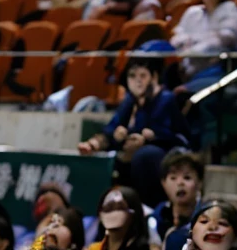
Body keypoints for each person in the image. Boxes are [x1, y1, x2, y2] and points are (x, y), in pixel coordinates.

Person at [78, 56, 188, 205]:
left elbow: (179, 136)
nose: (138, 81)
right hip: (131, 153)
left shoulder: (166, 99)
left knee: (144, 155)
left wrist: (152, 137)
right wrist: (95, 143)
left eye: (143, 76)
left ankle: (148, 206)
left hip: (163, 152)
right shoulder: (130, 101)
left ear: (154, 77)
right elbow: (112, 127)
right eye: (132, 76)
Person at [170, 0, 237, 88]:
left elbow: (226, 38)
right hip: (184, 66)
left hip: (217, 70)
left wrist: (193, 45)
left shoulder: (230, 9)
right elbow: (176, 38)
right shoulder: (193, 12)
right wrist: (188, 44)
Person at [153, 151, 204, 250]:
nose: (180, 183)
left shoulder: (206, 218)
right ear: (163, 183)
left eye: (187, 177)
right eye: (173, 178)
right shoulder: (157, 217)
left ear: (199, 183)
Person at [84, 187, 149, 250]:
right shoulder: (93, 248)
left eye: (120, 208)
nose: (114, 213)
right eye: (108, 207)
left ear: (133, 214)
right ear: (100, 215)